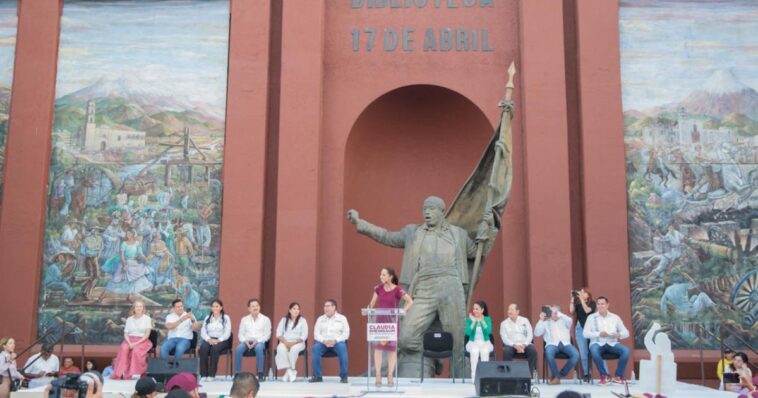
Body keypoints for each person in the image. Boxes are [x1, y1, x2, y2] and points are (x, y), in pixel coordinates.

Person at [347, 196, 497, 376]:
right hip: (423, 287)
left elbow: (475, 252)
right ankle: (432, 355)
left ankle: (462, 382)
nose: (427, 212)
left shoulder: (458, 234)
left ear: (442, 212)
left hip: (451, 286)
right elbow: (386, 236)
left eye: (432, 208)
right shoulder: (413, 232)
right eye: (425, 208)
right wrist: (360, 223)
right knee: (406, 336)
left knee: (458, 342)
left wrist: (486, 232)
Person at [367, 267, 413, 387]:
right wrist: (367, 310)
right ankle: (378, 375)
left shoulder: (397, 289)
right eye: (380, 274)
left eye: (383, 275)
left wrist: (403, 311)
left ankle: (390, 375)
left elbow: (410, 301)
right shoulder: (378, 288)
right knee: (378, 349)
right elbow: (371, 304)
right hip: (379, 323)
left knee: (392, 350)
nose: (381, 277)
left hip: (392, 323)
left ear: (390, 277)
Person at [583, 296, 630, 385]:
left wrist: (619, 335)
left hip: (612, 343)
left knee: (626, 351)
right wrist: (598, 334)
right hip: (597, 343)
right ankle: (604, 376)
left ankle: (618, 376)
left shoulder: (615, 317)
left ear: (607, 305)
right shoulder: (591, 318)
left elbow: (626, 332)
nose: (600, 306)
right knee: (594, 351)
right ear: (596, 305)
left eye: (603, 304)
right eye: (598, 304)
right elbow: (585, 333)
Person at [534, 305, 579, 385]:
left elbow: (570, 320)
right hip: (552, 344)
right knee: (549, 353)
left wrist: (559, 314)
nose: (552, 314)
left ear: (559, 313)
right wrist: (540, 320)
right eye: (551, 312)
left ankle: (559, 375)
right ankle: (556, 376)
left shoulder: (565, 320)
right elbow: (537, 333)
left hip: (566, 344)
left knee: (576, 354)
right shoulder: (546, 322)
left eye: (555, 313)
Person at [309, 299, 350, 383]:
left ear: (334, 307)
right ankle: (317, 376)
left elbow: (346, 333)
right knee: (315, 348)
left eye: (328, 306)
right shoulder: (320, 319)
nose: (325, 308)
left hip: (337, 342)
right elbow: (316, 334)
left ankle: (344, 376)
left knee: (342, 348)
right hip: (323, 343)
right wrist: (324, 341)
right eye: (325, 306)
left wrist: (335, 340)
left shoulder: (342, 318)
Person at [112, 300, 153, 379]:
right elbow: (126, 333)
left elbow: (147, 335)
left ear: (143, 308)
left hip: (142, 340)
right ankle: (120, 373)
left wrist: (135, 343)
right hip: (129, 340)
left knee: (136, 351)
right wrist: (129, 342)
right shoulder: (129, 319)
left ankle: (136, 373)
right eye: (137, 306)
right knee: (124, 348)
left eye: (141, 306)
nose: (139, 308)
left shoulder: (147, 319)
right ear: (134, 308)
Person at [235, 299, 272, 379]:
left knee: (259, 348)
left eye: (257, 306)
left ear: (259, 307)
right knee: (238, 349)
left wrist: (257, 341)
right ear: (249, 309)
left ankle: (260, 373)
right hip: (246, 341)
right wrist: (245, 341)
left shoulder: (266, 319)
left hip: (260, 342)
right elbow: (240, 334)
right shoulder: (244, 319)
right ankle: (237, 374)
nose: (255, 308)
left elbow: (267, 335)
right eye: (253, 306)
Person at [199, 299, 232, 381]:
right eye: (213, 306)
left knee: (215, 348)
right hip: (209, 339)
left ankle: (211, 374)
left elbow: (227, 333)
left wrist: (219, 340)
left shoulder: (226, 318)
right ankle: (203, 374)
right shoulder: (208, 318)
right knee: (203, 348)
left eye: (217, 306)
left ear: (221, 307)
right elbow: (203, 331)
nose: (215, 308)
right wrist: (208, 339)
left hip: (222, 340)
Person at [500, 303, 537, 375]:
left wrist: (524, 345)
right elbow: (504, 338)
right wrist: (514, 345)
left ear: (517, 311)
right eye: (508, 310)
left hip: (525, 344)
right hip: (511, 345)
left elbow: (530, 335)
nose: (509, 311)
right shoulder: (504, 323)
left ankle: (529, 375)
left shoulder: (525, 320)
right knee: (506, 351)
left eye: (512, 310)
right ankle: (507, 375)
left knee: (533, 351)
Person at [275, 302, 308, 382]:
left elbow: (304, 335)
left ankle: (289, 371)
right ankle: (291, 370)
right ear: (289, 310)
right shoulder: (283, 320)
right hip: (285, 341)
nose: (296, 311)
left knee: (293, 350)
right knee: (280, 349)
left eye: (298, 309)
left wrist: (293, 343)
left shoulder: (302, 320)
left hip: (298, 343)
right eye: (294, 309)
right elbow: (278, 334)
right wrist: (286, 342)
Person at [568, 288, 596, 382]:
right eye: (581, 292)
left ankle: (601, 374)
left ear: (588, 295)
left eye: (584, 292)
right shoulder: (578, 304)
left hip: (591, 329)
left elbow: (587, 310)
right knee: (583, 352)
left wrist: (581, 299)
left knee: (594, 351)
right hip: (580, 329)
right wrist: (572, 299)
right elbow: (571, 311)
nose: (581, 293)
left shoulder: (592, 303)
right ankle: (586, 373)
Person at [465, 300, 493, 381]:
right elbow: (468, 333)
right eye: (474, 309)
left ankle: (485, 375)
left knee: (484, 351)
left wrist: (482, 321)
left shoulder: (487, 319)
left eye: (477, 309)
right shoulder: (469, 320)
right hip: (472, 342)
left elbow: (488, 332)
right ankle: (474, 375)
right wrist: (473, 322)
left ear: (482, 310)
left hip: (485, 342)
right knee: (474, 351)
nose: (474, 311)